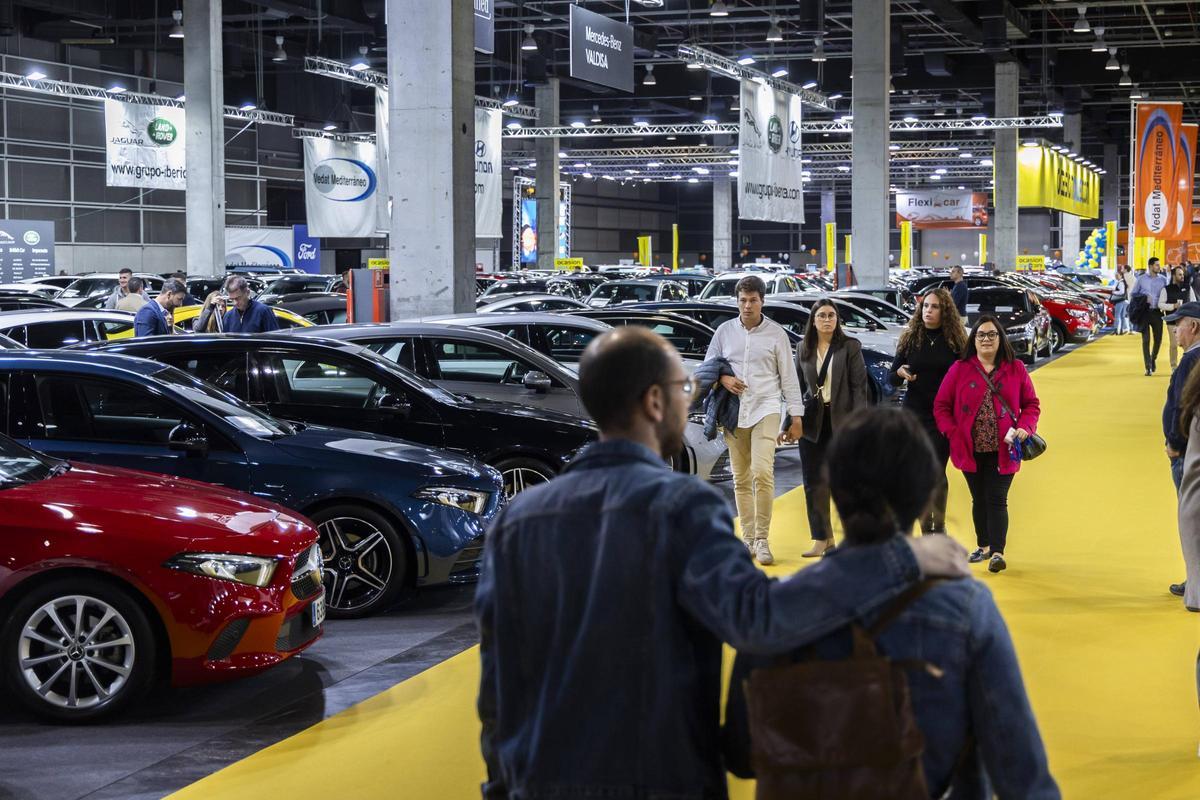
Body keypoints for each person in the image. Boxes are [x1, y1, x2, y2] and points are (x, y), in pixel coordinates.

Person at [474, 326, 970, 800]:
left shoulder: (518, 521)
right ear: (653, 402)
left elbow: (498, 682)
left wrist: (501, 783)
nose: (690, 396)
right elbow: (758, 618)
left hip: (535, 775)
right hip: (662, 775)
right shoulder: (683, 507)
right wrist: (894, 559)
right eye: (684, 385)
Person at [723, 407, 1060, 799]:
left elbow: (741, 754)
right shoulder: (966, 610)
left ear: (831, 492)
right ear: (923, 500)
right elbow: (1021, 773)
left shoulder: (774, 608)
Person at [703, 275, 804, 565]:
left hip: (766, 408)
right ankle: (747, 538)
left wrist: (796, 416)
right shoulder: (724, 331)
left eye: (753, 300)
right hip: (734, 413)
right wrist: (724, 378)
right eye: (743, 300)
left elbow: (788, 377)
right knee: (741, 477)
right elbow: (708, 368)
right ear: (737, 301)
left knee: (762, 471)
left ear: (762, 301)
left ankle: (762, 539)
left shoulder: (776, 334)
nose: (747, 305)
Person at [934, 315, 1041, 574]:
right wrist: (952, 432)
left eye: (992, 334)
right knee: (978, 499)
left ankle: (996, 552)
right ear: (974, 339)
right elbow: (941, 406)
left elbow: (1031, 405)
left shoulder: (1015, 368)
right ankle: (983, 545)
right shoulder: (959, 369)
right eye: (981, 335)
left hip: (1005, 447)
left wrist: (1025, 428)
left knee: (996, 498)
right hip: (969, 447)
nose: (986, 339)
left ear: (1000, 338)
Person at [890, 287, 969, 534]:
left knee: (937, 471)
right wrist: (900, 373)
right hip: (913, 414)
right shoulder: (911, 337)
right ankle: (926, 527)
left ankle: (940, 524)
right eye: (925, 306)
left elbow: (967, 377)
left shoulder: (956, 341)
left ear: (944, 310)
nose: (928, 311)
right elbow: (892, 376)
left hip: (943, 415)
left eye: (934, 307)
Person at [796, 297, 870, 557]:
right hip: (811, 424)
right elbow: (797, 390)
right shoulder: (802, 348)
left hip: (843, 422)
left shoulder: (849, 347)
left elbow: (859, 388)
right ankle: (821, 538)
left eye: (831, 315)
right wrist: (791, 420)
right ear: (813, 320)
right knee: (813, 483)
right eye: (822, 315)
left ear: (837, 319)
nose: (827, 320)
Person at [1161, 302, 1200, 606]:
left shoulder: (1190, 362)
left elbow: (1181, 408)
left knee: (1191, 519)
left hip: (1187, 453)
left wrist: (1174, 442)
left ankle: (1195, 584)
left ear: (1194, 327)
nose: (1175, 330)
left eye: (1179, 323)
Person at [195, 275, 279, 334]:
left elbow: (275, 341)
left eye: (238, 298)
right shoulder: (228, 316)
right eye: (232, 299)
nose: (235, 303)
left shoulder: (263, 312)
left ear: (247, 292)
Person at [1132, 256, 1169, 375]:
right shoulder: (1141, 279)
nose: (1159, 267)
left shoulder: (1163, 280)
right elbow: (1133, 294)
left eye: (1159, 265)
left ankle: (1153, 359)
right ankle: (1147, 367)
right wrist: (1143, 298)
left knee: (1158, 339)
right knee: (1146, 340)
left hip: (1157, 312)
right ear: (1150, 266)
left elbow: (1167, 294)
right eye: (1157, 265)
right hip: (1145, 312)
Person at [1160, 267, 1195, 370]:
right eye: (1179, 274)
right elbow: (1160, 304)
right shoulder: (1166, 289)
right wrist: (1173, 306)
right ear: (1174, 276)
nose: (1182, 276)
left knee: (1188, 345)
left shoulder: (1188, 288)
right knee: (1174, 345)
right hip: (1172, 321)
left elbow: (1193, 302)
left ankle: (1188, 366)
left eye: (1182, 274)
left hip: (1186, 321)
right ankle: (1174, 367)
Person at [1112, 264, 1133, 335]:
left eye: (1122, 269)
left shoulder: (1123, 279)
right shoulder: (1132, 277)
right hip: (1129, 298)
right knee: (1125, 315)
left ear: (1126, 270)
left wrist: (1114, 292)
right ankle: (1128, 329)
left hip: (1123, 299)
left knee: (1120, 315)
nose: (1121, 270)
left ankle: (1122, 329)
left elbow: (1122, 291)